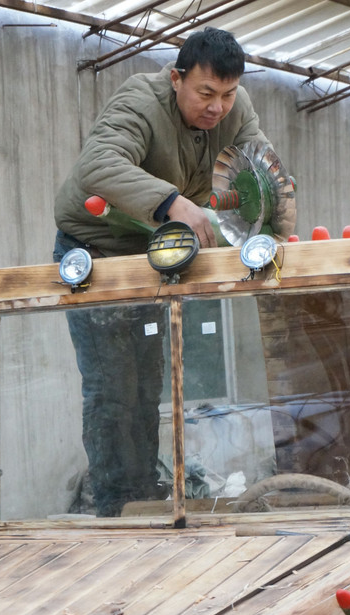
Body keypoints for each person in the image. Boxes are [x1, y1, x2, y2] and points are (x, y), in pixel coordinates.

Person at [53, 27, 270, 517]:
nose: (217, 107)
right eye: (206, 93)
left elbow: (259, 169)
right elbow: (99, 162)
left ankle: (145, 500)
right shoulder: (140, 98)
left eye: (228, 94)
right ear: (176, 78)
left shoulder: (237, 109)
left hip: (156, 253)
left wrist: (269, 224)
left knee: (147, 387)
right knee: (112, 388)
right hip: (96, 250)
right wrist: (173, 203)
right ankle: (115, 508)